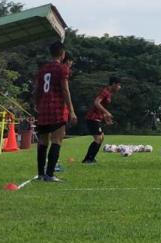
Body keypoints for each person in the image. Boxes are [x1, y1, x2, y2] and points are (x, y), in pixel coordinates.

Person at [34, 41, 77, 182]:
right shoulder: (63, 68)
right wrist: (71, 110)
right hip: (57, 108)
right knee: (57, 140)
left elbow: (37, 90)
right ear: (62, 53)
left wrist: (36, 104)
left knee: (42, 141)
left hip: (43, 108)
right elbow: (65, 89)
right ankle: (50, 174)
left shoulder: (43, 69)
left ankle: (41, 173)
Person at [82, 76, 122, 164]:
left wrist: (105, 117)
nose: (120, 87)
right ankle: (88, 159)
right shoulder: (105, 92)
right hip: (92, 118)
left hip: (97, 118)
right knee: (98, 138)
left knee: (101, 137)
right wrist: (107, 113)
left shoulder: (109, 93)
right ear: (114, 84)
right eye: (119, 85)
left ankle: (91, 158)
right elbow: (96, 102)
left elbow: (101, 106)